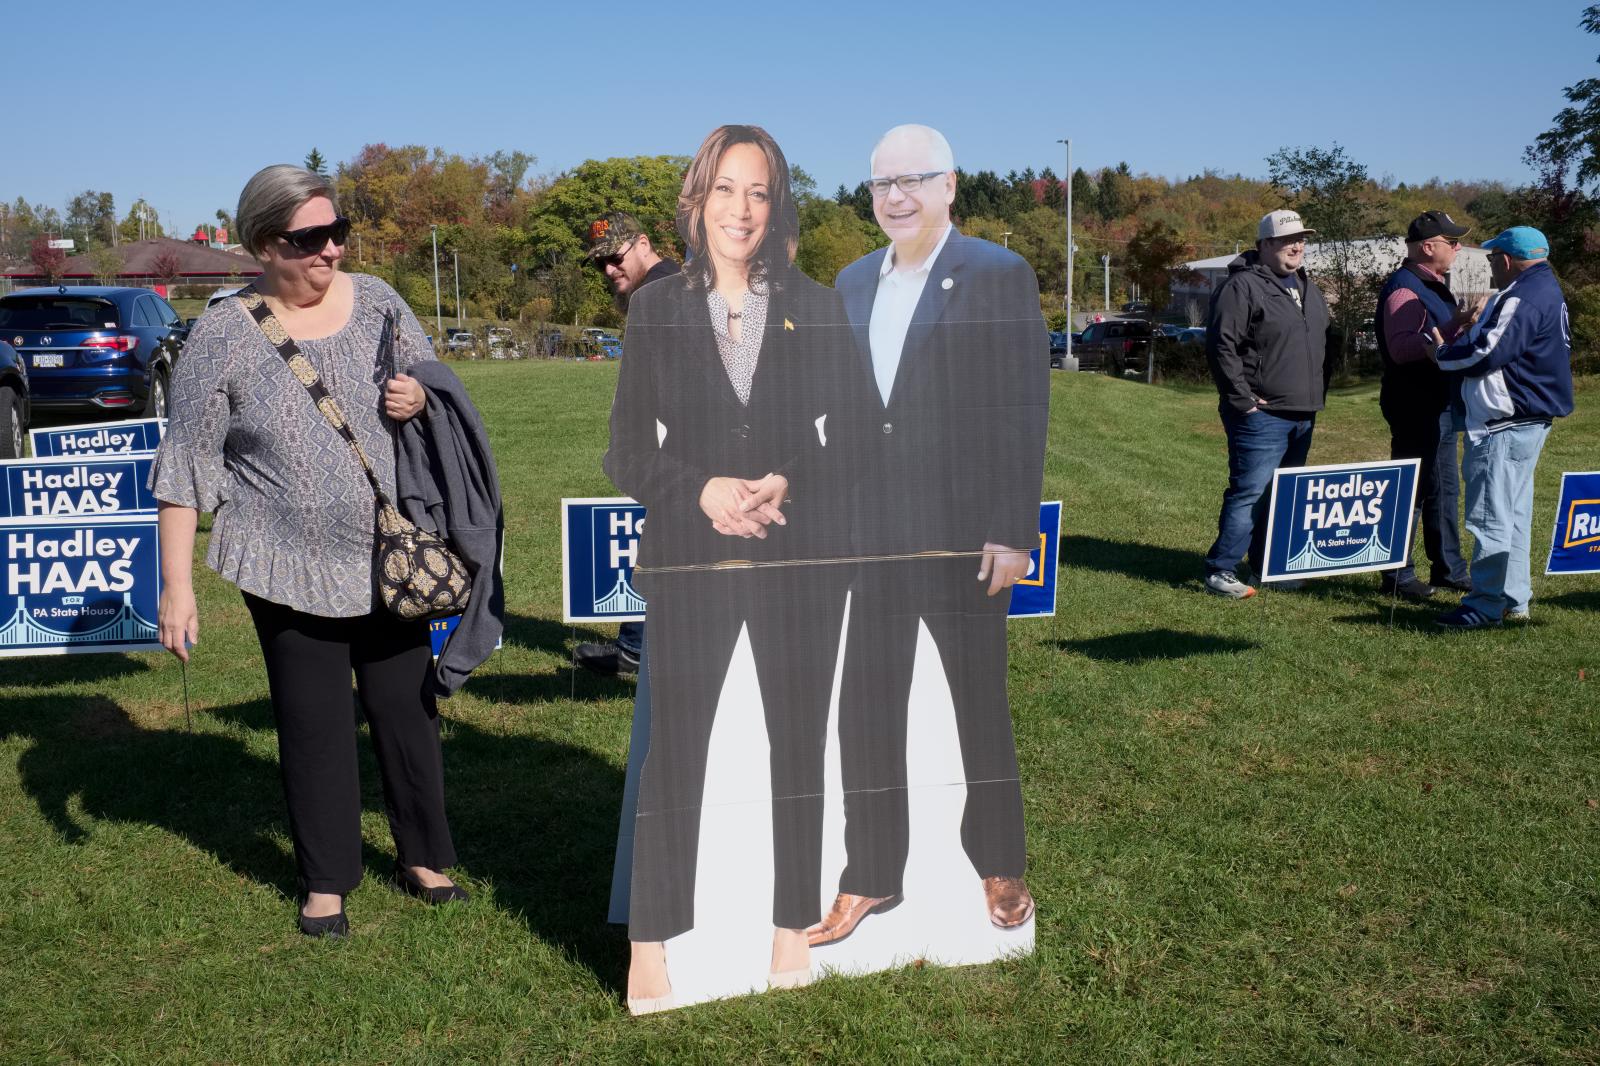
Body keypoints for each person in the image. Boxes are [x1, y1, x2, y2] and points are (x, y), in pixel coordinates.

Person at [150, 164, 466, 938]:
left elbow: (438, 387)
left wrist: (419, 396)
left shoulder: (384, 303)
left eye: (337, 233)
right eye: (309, 239)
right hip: (282, 560)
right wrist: (176, 586)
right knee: (312, 721)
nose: (330, 251)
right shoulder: (223, 333)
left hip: (388, 554)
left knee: (406, 710)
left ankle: (423, 855)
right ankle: (326, 880)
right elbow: (186, 464)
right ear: (263, 244)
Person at [603, 125, 859, 1014]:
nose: (741, 209)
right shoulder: (657, 309)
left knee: (798, 744)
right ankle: (651, 944)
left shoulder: (820, 308)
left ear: (775, 205)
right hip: (691, 555)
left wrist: (792, 476)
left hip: (799, 557)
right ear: (695, 202)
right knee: (676, 751)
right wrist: (701, 489)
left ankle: (793, 926)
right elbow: (627, 453)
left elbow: (859, 436)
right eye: (725, 190)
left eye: (758, 191)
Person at [807, 124, 1049, 949]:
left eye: (915, 179)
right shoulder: (847, 283)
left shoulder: (996, 274)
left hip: (962, 535)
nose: (897, 196)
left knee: (978, 702)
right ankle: (869, 877)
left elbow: (1023, 410)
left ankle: (1000, 861)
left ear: (951, 186)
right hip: (867, 534)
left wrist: (1013, 531)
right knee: (865, 708)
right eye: (882, 184)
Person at [1433, 226, 1573, 629]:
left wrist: (1441, 353)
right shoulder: (1545, 289)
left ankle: (1485, 603)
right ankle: (1514, 599)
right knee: (1512, 514)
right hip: (1526, 420)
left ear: (1507, 260)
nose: (1492, 264)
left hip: (1506, 424)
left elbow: (1486, 354)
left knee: (1492, 517)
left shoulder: (1522, 296)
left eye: (1494, 257)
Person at [1202, 209, 1330, 598]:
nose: (1297, 246)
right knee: (1250, 493)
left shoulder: (1306, 285)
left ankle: (1267, 567)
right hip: (1262, 415)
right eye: (1287, 239)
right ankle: (1221, 570)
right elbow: (1221, 344)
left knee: (1282, 496)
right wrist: (1242, 399)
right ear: (1264, 245)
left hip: (1302, 412)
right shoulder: (1242, 286)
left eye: (1302, 239)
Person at [574, 212, 681, 678]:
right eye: (600, 265)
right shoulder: (675, 285)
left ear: (642, 244)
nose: (610, 271)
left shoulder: (662, 295)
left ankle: (643, 652)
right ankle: (637, 647)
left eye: (614, 258)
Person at [1376, 211, 1485, 599]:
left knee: (1444, 489)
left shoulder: (1433, 284)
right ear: (1429, 247)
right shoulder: (1405, 289)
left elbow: (1433, 336)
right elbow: (1402, 347)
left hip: (1436, 403)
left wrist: (1457, 322)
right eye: (1451, 242)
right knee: (1412, 490)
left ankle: (1449, 569)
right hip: (1414, 405)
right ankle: (1398, 576)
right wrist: (1442, 341)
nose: (1457, 248)